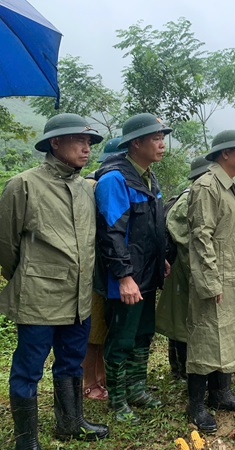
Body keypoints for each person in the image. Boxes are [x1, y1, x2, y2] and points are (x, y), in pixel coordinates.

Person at [0, 113, 109, 448]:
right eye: (78, 140)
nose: (86, 147)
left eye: (89, 141)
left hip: (77, 296)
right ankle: (26, 439)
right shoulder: (25, 184)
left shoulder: (85, 188)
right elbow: (6, 246)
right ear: (55, 143)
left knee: (71, 361)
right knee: (28, 367)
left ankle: (70, 422)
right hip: (38, 295)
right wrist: (31, 274)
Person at [95, 113, 172, 422]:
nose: (162, 144)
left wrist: (161, 257)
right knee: (122, 336)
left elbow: (153, 227)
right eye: (156, 138)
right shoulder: (114, 179)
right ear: (136, 143)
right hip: (125, 278)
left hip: (147, 272)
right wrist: (124, 276)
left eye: (162, 138)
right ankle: (117, 400)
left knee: (143, 333)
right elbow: (111, 232)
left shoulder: (149, 177)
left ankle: (136, 389)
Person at [187, 130, 235, 432]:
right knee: (207, 339)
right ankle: (195, 406)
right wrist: (210, 281)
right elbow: (200, 236)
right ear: (224, 154)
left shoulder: (230, 188)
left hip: (234, 276)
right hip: (217, 278)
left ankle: (221, 394)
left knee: (229, 335)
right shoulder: (207, 186)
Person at [155, 155, 213, 381]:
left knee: (183, 321)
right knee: (179, 323)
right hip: (182, 269)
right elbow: (181, 234)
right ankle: (180, 369)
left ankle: (183, 368)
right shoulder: (188, 198)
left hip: (189, 269)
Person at [82, 136, 123, 401]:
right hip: (93, 266)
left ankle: (102, 377)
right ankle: (89, 380)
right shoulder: (93, 184)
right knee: (93, 329)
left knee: (104, 329)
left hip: (108, 266)